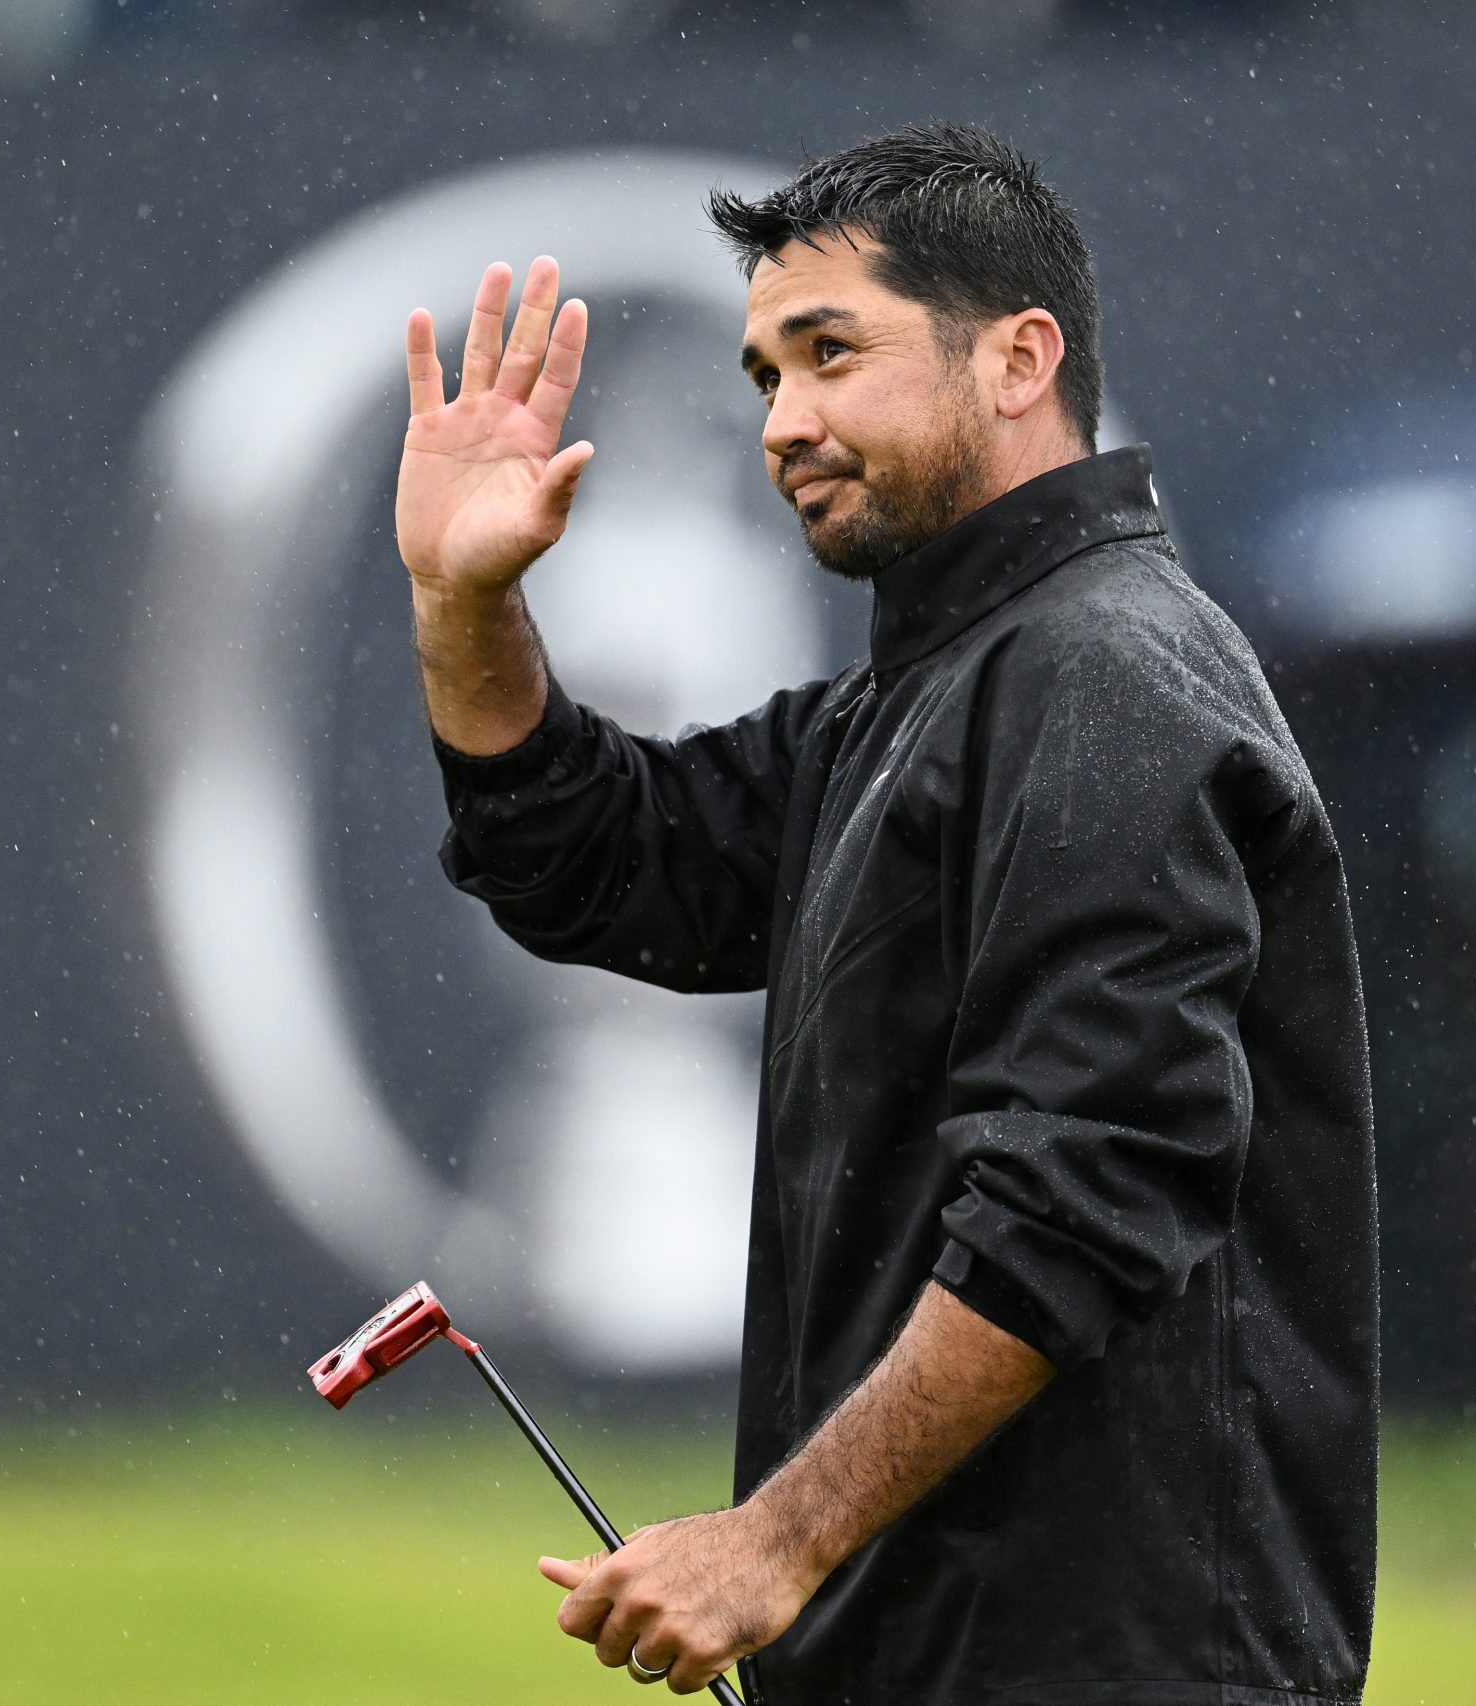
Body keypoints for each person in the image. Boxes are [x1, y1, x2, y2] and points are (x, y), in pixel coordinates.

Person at [396, 123, 1377, 1705]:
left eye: (831, 354)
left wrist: (780, 1536)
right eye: (765, 373)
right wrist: (464, 602)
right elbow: (603, 858)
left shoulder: (1102, 673)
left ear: (1018, 358)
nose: (784, 421)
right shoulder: (929, 696)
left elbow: (1087, 1193)